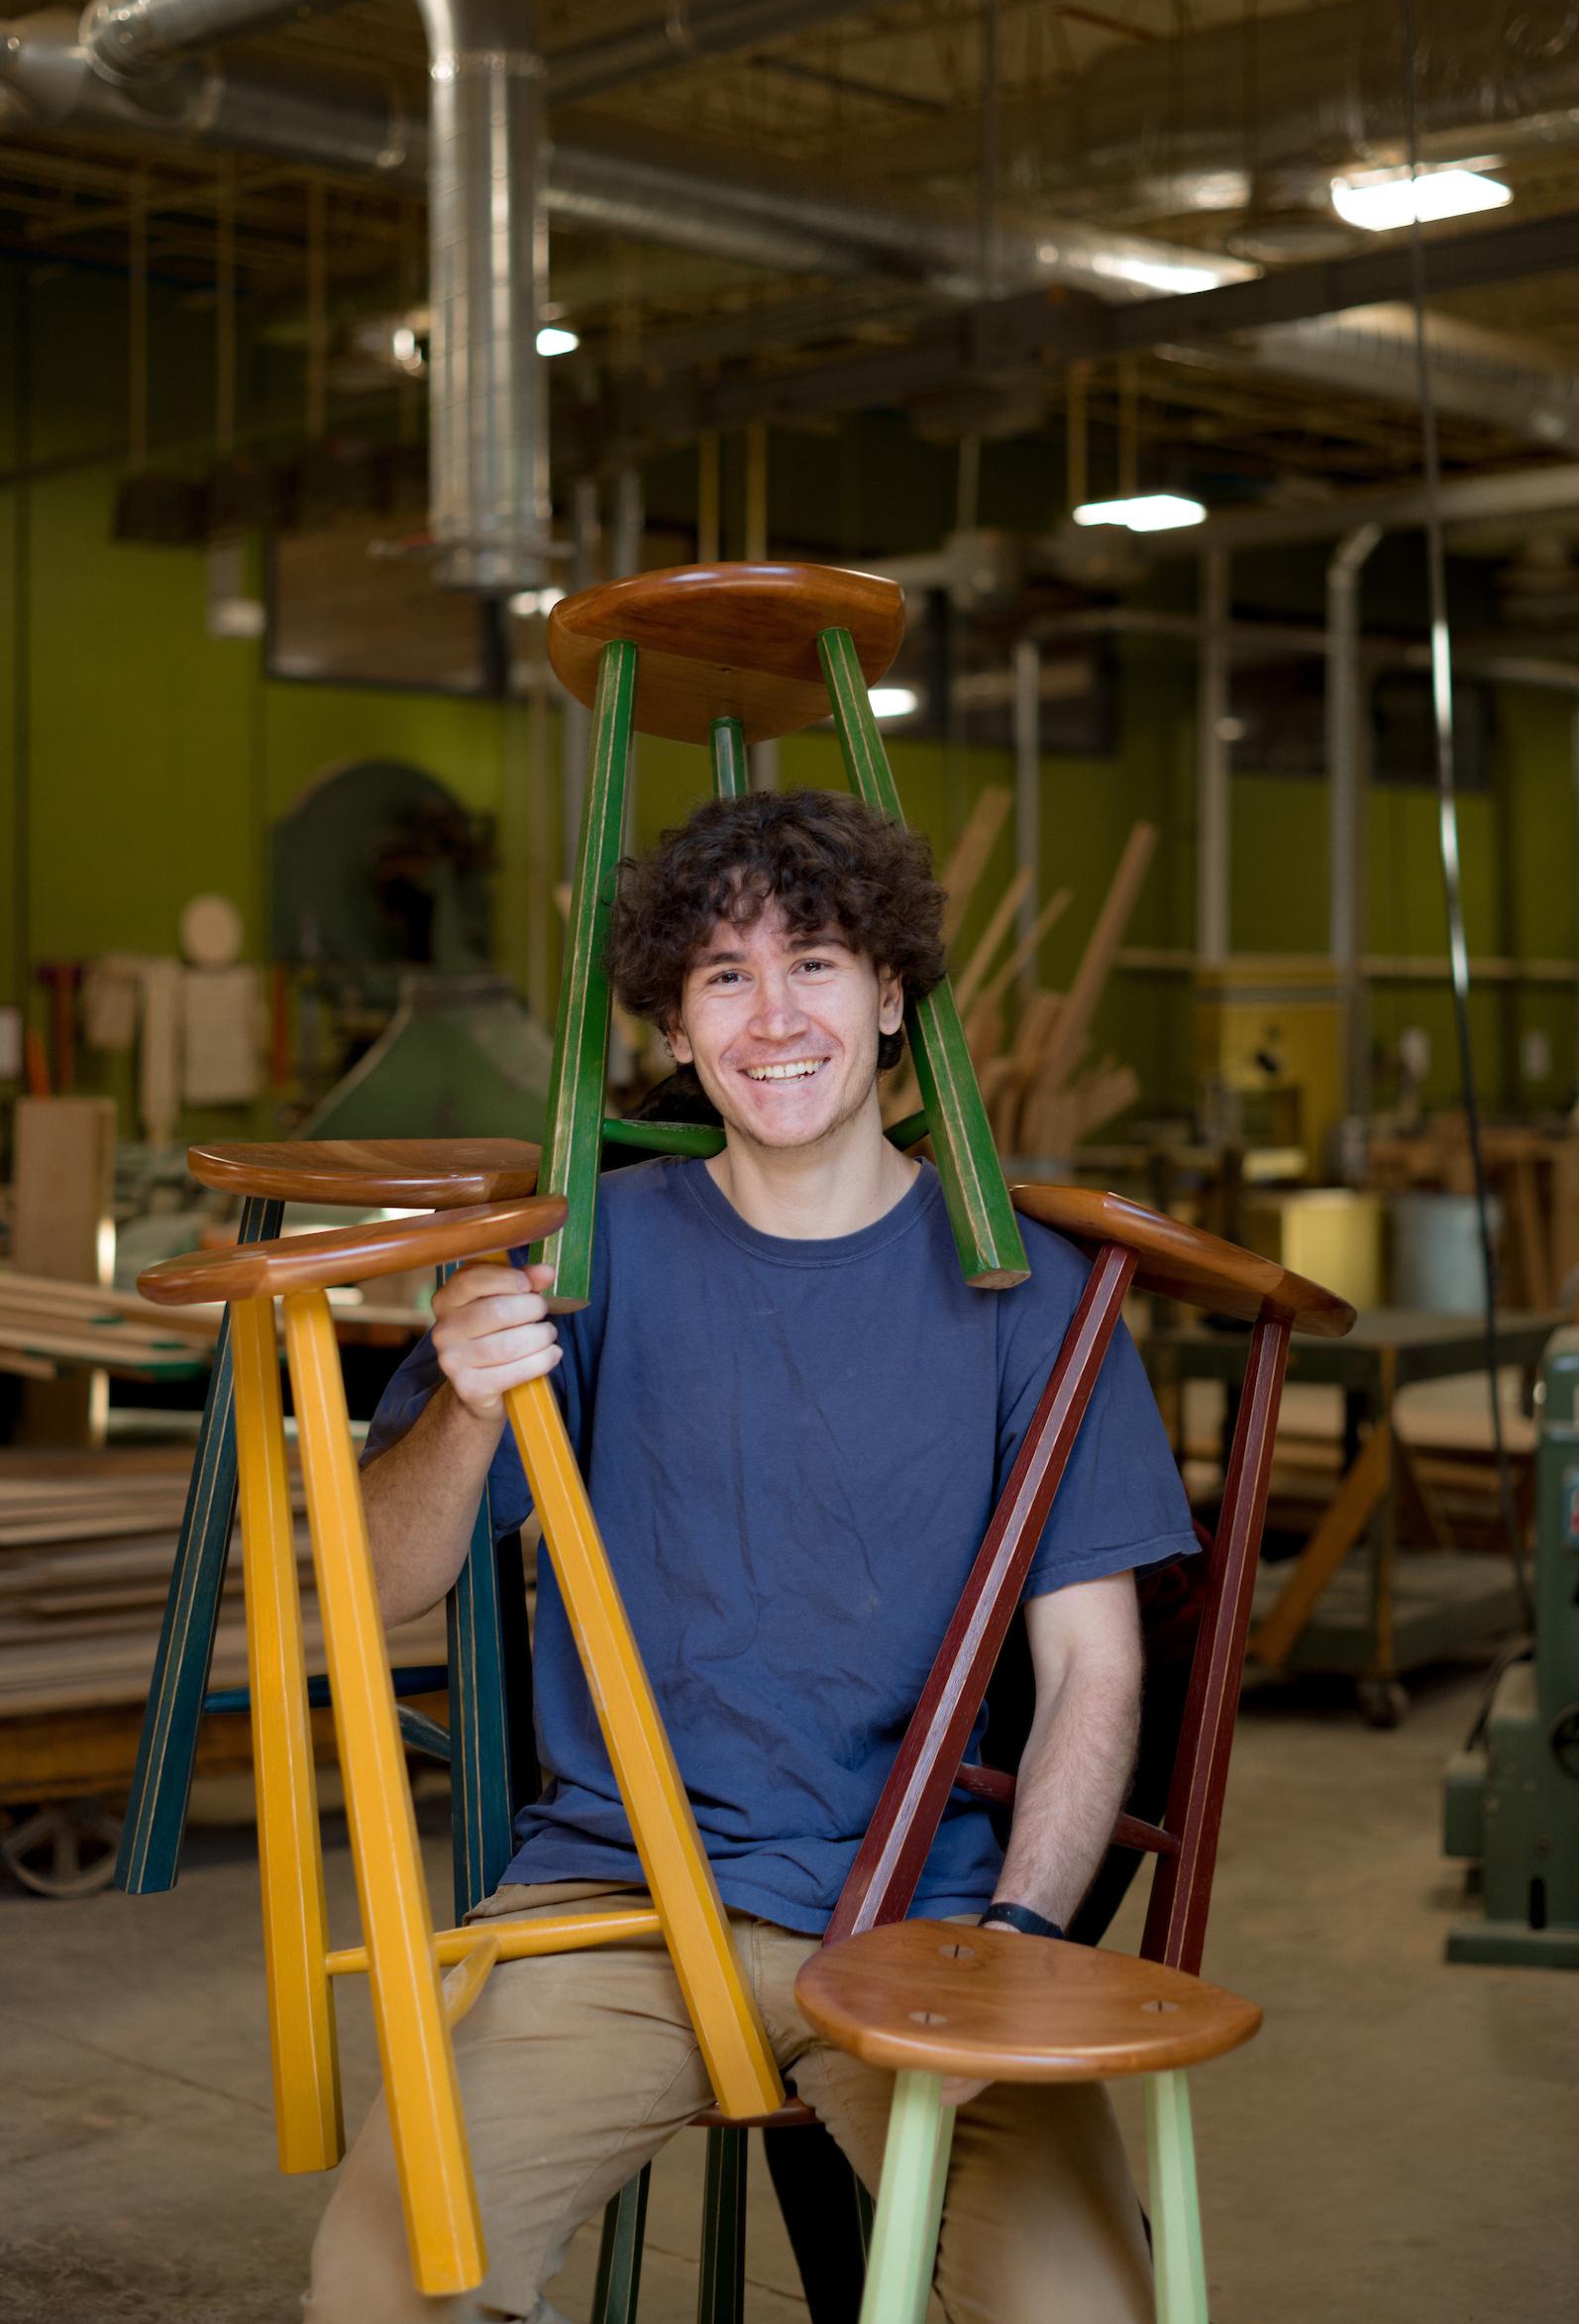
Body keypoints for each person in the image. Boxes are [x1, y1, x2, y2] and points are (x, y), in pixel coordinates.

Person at [306, 789, 1196, 2324]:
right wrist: (459, 1405)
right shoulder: (589, 1252)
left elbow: (1091, 1673)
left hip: (918, 1916)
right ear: (672, 1027)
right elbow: (377, 1596)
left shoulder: (1032, 1292)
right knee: (383, 2293)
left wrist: (1020, 1936)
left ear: (892, 995)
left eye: (819, 964)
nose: (773, 1016)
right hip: (614, 1904)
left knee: (1082, 2310)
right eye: (724, 976)